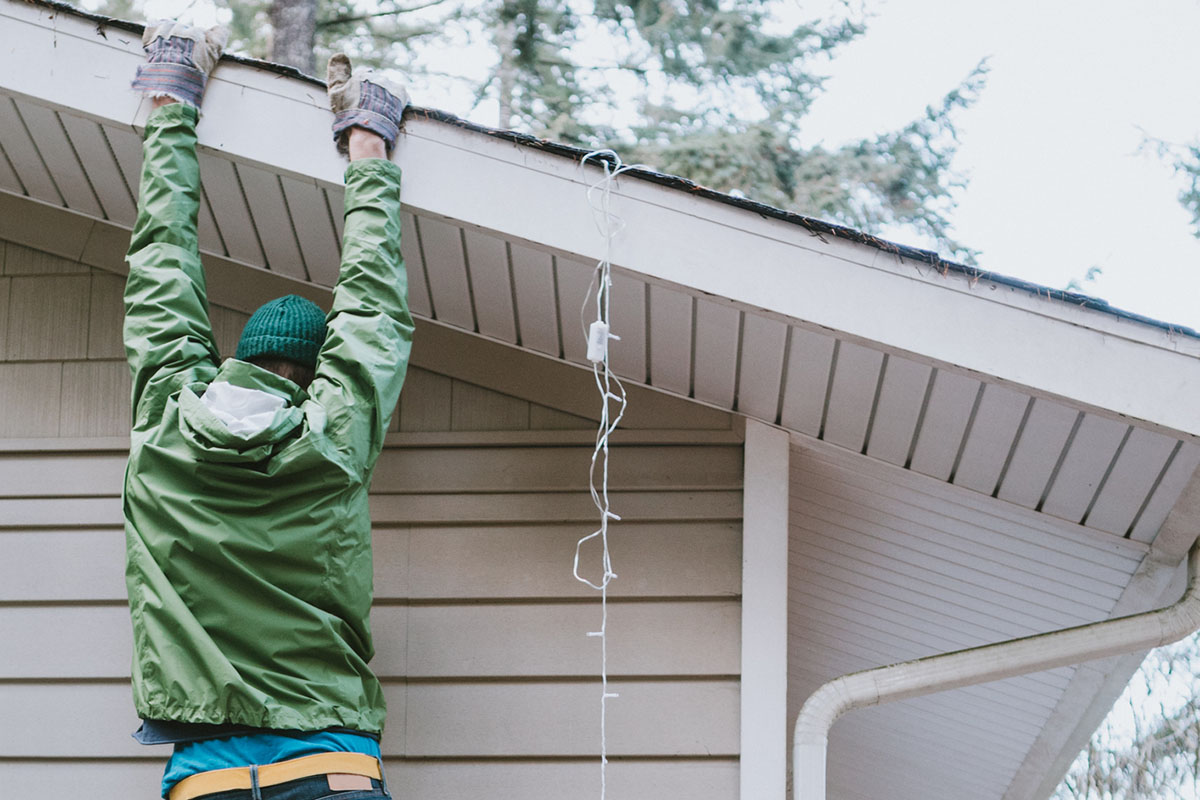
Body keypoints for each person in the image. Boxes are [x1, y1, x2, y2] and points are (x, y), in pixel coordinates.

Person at [122, 20, 413, 800]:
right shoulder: (333, 431)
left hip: (206, 780)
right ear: (314, 374)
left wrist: (173, 99)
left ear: (236, 358)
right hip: (332, 770)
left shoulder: (165, 415)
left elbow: (160, 264)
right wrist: (369, 149)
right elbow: (373, 312)